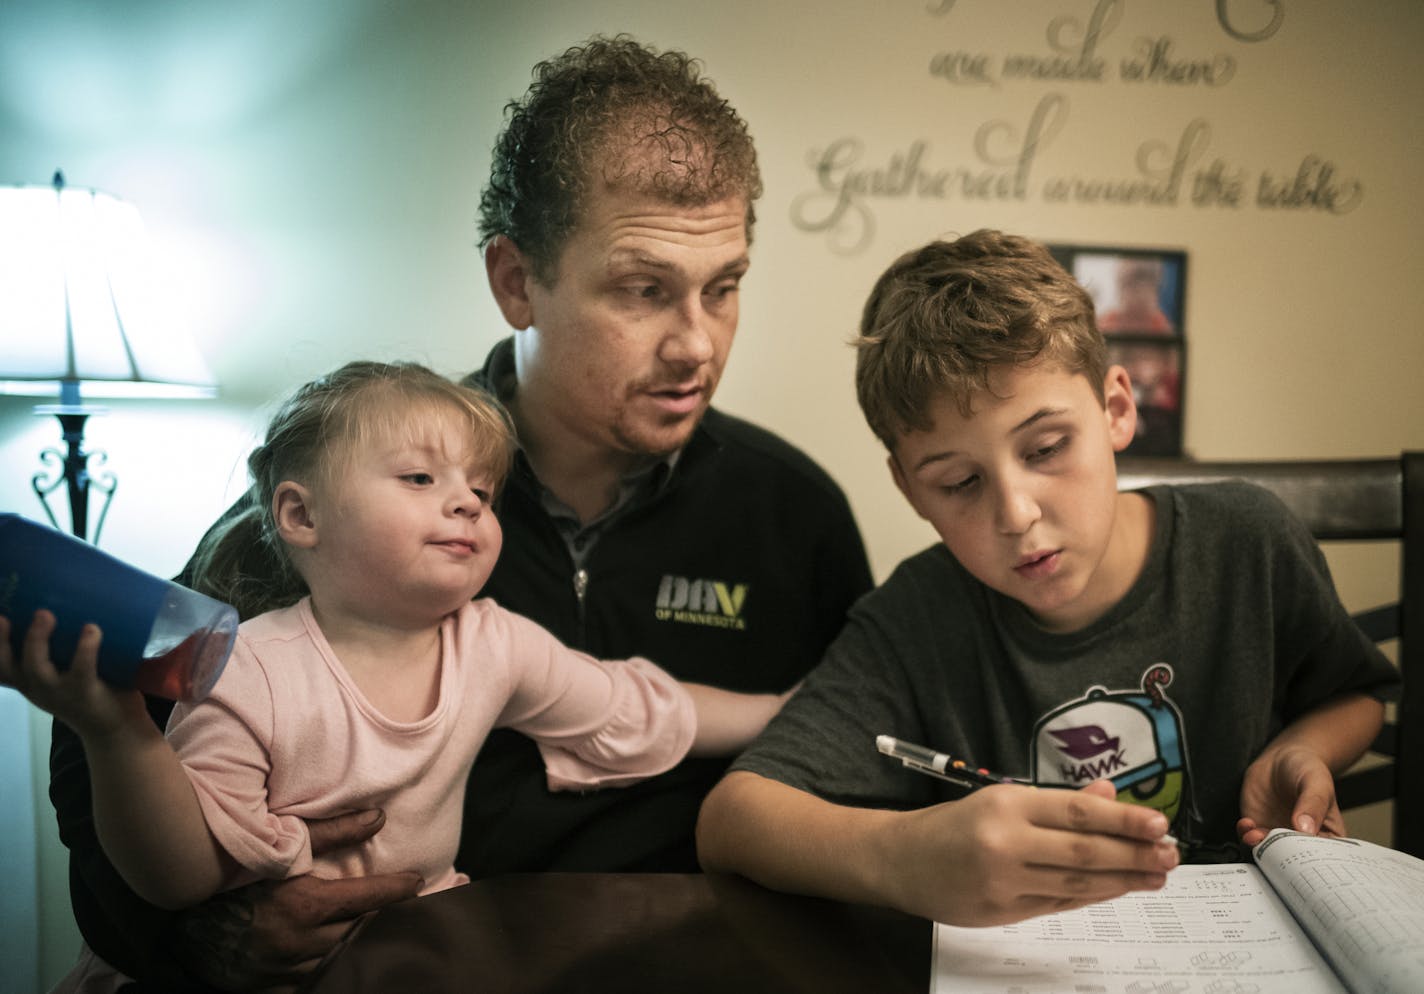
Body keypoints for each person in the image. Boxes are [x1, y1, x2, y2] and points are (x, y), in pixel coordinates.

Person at [47, 35, 874, 992]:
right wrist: (200, 937)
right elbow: (101, 750)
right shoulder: (360, 488)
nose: (697, 343)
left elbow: (843, 771)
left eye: (723, 288)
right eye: (644, 291)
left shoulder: (792, 512)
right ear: (517, 281)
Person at [6, 361, 791, 991]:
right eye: (420, 480)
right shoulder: (250, 669)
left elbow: (638, 708)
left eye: (481, 494)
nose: (465, 506)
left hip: (421, 950)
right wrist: (119, 735)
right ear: (300, 517)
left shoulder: (494, 644)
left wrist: (783, 710)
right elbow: (178, 877)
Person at [696, 230, 1399, 927]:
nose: (1016, 513)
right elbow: (731, 820)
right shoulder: (917, 618)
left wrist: (1300, 750)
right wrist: (903, 858)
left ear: (1117, 410)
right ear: (911, 490)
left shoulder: (1247, 542)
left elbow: (1356, 692)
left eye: (1047, 448)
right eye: (960, 482)